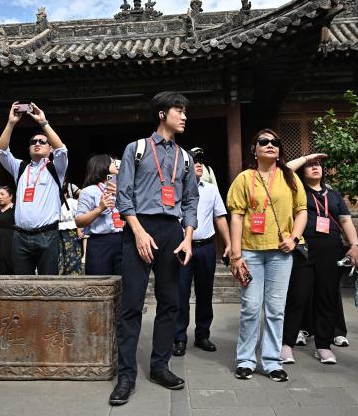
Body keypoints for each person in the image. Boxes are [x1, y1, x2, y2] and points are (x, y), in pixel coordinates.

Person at [109, 91, 199, 406]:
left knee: (171, 302)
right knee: (131, 304)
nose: (184, 116)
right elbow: (123, 196)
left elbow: (191, 201)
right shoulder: (136, 149)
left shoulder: (185, 158)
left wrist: (188, 237)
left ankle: (160, 366)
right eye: (178, 110)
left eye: (185, 111)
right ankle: (126, 376)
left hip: (172, 231)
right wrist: (138, 232)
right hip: (139, 227)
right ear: (162, 114)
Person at [226, 129, 307, 382]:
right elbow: (236, 216)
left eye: (275, 142)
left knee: (275, 309)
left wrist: (294, 238)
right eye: (264, 141)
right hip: (250, 251)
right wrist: (236, 255)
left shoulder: (290, 177)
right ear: (254, 149)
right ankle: (246, 360)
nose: (270, 145)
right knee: (250, 308)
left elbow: (302, 210)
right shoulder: (244, 178)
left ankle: (272, 361)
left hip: (280, 253)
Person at [279, 156, 358, 365]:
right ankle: (286, 344)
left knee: (327, 297)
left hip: (331, 249)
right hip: (303, 248)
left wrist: (354, 245)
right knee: (298, 296)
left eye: (317, 165)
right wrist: (307, 157)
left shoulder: (333, 195)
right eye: (309, 166)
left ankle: (323, 346)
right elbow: (284, 170)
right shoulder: (295, 189)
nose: (315, 167)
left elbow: (345, 221)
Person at [0, 102, 67, 275]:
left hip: (48, 235)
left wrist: (43, 122)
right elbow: (1, 151)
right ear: (29, 148)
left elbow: (61, 149)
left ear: (50, 149)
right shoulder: (20, 167)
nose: (37, 143)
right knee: (21, 283)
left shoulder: (56, 168)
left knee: (48, 283)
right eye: (33, 142)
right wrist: (11, 123)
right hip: (20, 236)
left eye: (42, 141)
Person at [172, 148, 231, 357]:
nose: (198, 164)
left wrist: (228, 243)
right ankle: (179, 337)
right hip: (181, 248)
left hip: (206, 247)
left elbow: (220, 217)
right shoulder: (174, 189)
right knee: (180, 294)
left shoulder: (211, 190)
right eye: (194, 160)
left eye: (201, 160)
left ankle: (202, 335)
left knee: (205, 292)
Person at [75, 154, 123, 275]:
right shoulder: (88, 191)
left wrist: (120, 194)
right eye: (112, 162)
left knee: (124, 281)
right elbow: (79, 221)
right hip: (99, 244)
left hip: (122, 240)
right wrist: (100, 209)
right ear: (103, 166)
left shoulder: (122, 188)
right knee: (100, 282)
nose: (116, 164)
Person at [58, 183, 83, 275]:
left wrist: (79, 229)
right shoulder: (58, 202)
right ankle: (66, 273)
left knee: (69, 253)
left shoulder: (71, 202)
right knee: (65, 253)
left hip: (68, 229)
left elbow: (78, 216)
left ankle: (70, 273)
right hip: (63, 229)